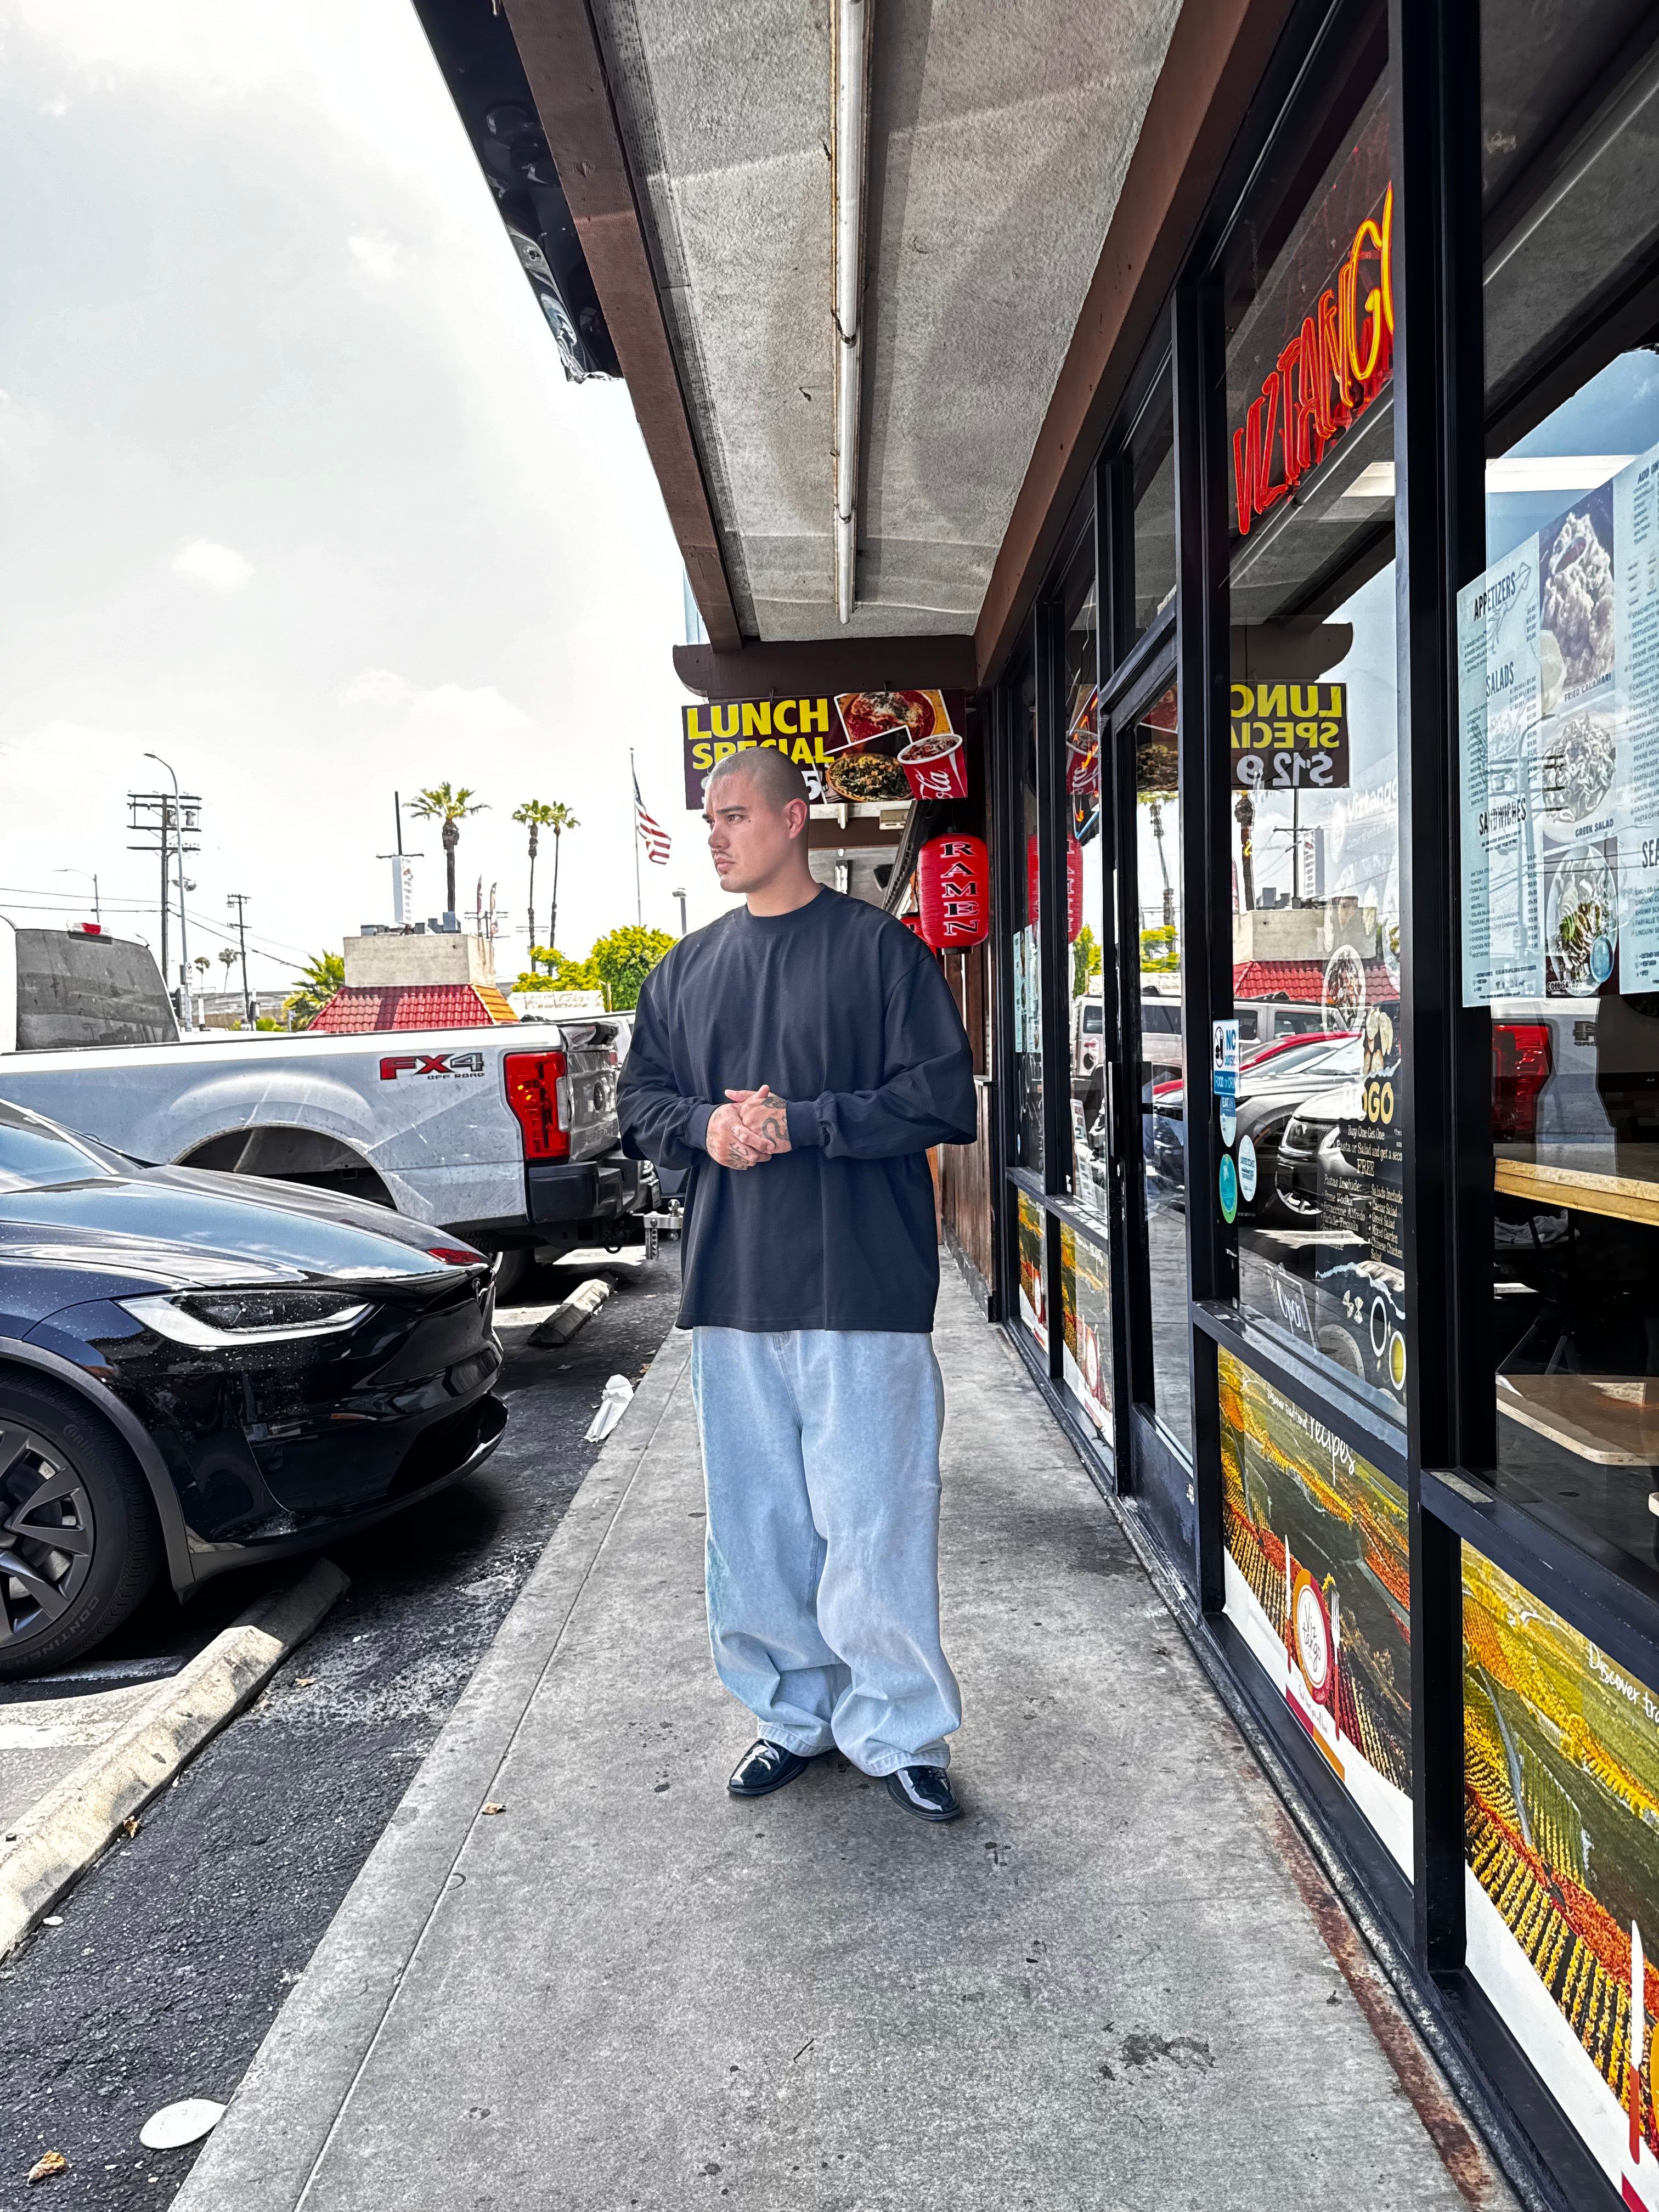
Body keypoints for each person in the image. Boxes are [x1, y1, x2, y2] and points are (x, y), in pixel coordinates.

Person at [618, 743, 977, 1822]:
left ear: (792, 820)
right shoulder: (681, 973)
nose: (716, 836)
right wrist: (707, 1127)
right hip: (732, 1291)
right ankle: (791, 1717)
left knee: (877, 1520)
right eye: (709, 820)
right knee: (756, 1528)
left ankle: (900, 1731)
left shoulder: (881, 953)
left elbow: (942, 1100)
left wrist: (802, 1122)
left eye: (734, 815)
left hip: (865, 1288)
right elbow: (640, 1104)